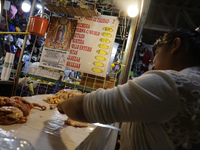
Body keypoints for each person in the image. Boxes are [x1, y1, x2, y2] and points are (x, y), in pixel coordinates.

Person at [57, 28, 200, 150]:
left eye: (156, 53)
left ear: (175, 45)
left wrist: (63, 104)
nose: (154, 64)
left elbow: (82, 107)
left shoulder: (171, 83)